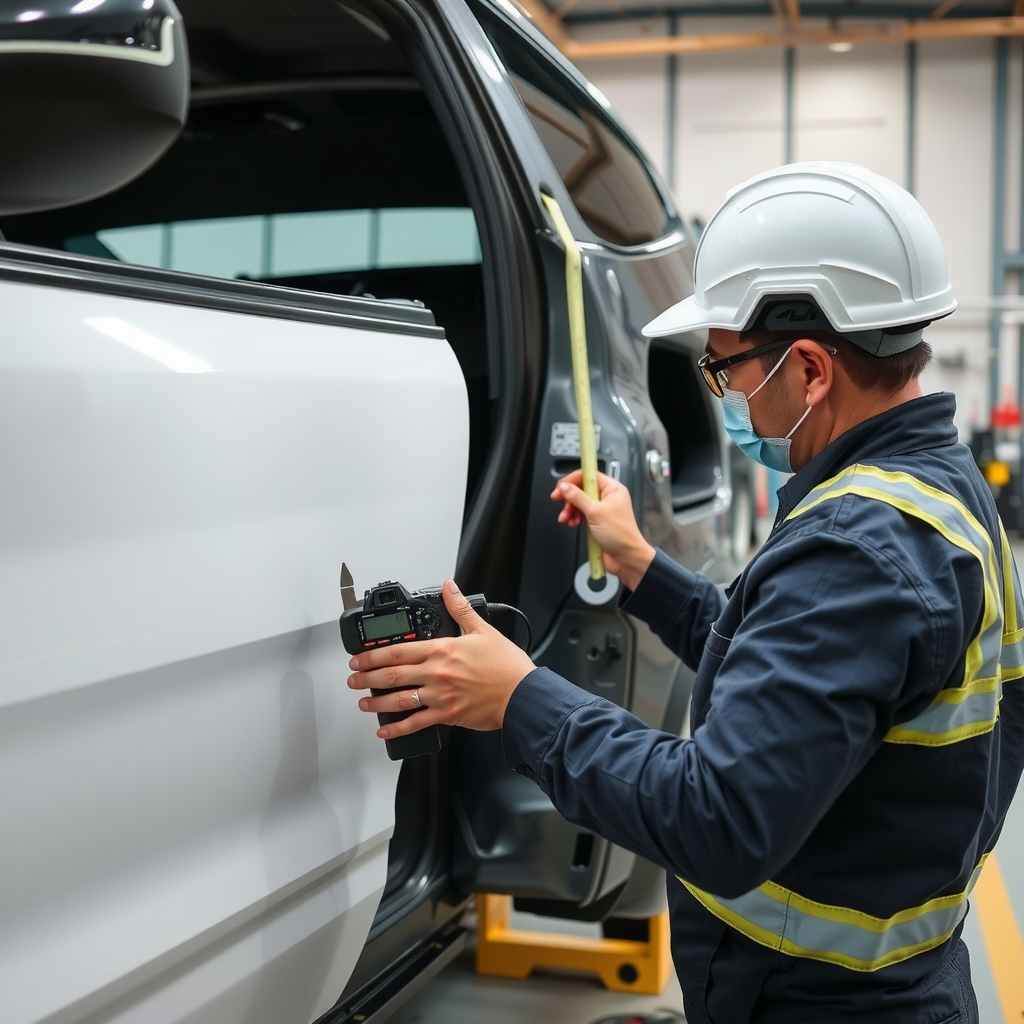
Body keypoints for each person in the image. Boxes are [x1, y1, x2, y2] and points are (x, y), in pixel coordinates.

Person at [347, 162, 1024, 1023]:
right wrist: (641, 567)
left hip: (814, 1005)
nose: (727, 397)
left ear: (810, 368)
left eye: (726, 372)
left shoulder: (858, 548)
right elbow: (804, 689)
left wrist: (518, 699)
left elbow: (719, 819)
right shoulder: (937, 488)